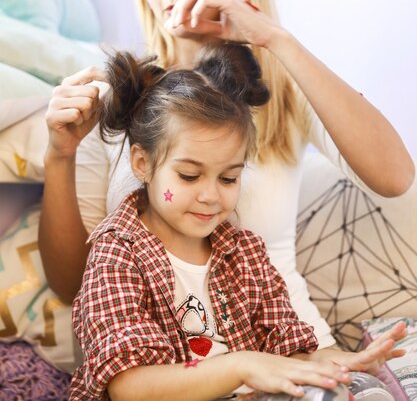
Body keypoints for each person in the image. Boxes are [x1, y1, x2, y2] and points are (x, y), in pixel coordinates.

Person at [40, 0, 414, 346]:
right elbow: (74, 285)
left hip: (293, 354)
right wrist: (59, 155)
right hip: (163, 371)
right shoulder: (120, 93)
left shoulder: (282, 84)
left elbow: (395, 176)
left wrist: (274, 39)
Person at [70, 44, 403, 401]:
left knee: (355, 390)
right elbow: (128, 386)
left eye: (228, 179)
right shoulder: (117, 254)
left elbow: (291, 353)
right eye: (189, 176)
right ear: (142, 164)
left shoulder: (244, 252)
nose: (211, 196)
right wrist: (241, 365)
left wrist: (343, 364)